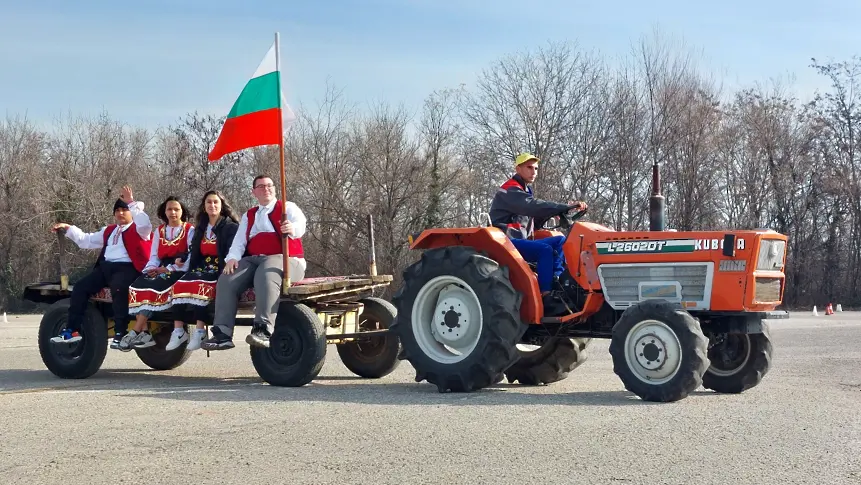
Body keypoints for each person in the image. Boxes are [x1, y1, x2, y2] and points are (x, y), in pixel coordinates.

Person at [201, 175, 307, 351]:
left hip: (287, 260)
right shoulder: (249, 215)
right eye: (261, 186)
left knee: (266, 272)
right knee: (228, 278)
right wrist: (232, 258)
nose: (266, 189)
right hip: (255, 259)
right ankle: (222, 333)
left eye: (269, 185)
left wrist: (292, 228)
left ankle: (262, 329)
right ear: (254, 191)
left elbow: (301, 224)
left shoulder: (287, 207)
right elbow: (239, 242)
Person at [50, 186, 153, 349]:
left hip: (128, 268)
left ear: (131, 212)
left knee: (119, 288)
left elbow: (146, 224)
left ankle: (120, 333)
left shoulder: (139, 229)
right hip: (106, 269)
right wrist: (68, 228)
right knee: (80, 288)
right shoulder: (109, 231)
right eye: (117, 210)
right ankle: (72, 330)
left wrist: (131, 202)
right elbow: (86, 240)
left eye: (124, 210)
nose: (120, 213)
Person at [489, 153, 587, 294]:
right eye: (529, 167)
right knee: (544, 250)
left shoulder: (524, 190)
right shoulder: (509, 190)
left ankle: (558, 279)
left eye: (535, 168)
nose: (533, 172)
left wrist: (557, 213)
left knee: (560, 240)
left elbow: (531, 217)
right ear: (518, 169)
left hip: (519, 239)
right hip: (506, 241)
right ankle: (545, 292)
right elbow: (532, 206)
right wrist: (562, 207)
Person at [167, 190, 240, 351]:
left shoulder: (230, 227)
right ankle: (179, 330)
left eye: (215, 202)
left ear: (222, 206)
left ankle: (200, 330)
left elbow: (233, 250)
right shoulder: (201, 227)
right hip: (201, 266)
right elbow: (192, 249)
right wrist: (182, 256)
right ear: (204, 206)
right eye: (209, 202)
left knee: (200, 286)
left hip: (220, 267)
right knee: (179, 285)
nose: (212, 205)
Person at [121, 196, 194, 351]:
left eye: (176, 209)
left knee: (154, 286)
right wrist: (150, 269)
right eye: (169, 209)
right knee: (139, 284)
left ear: (182, 211)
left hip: (178, 270)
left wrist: (170, 268)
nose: (173, 212)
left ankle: (136, 330)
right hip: (161, 267)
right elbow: (154, 256)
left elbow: (191, 258)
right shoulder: (159, 231)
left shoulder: (189, 230)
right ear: (164, 211)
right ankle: (144, 332)